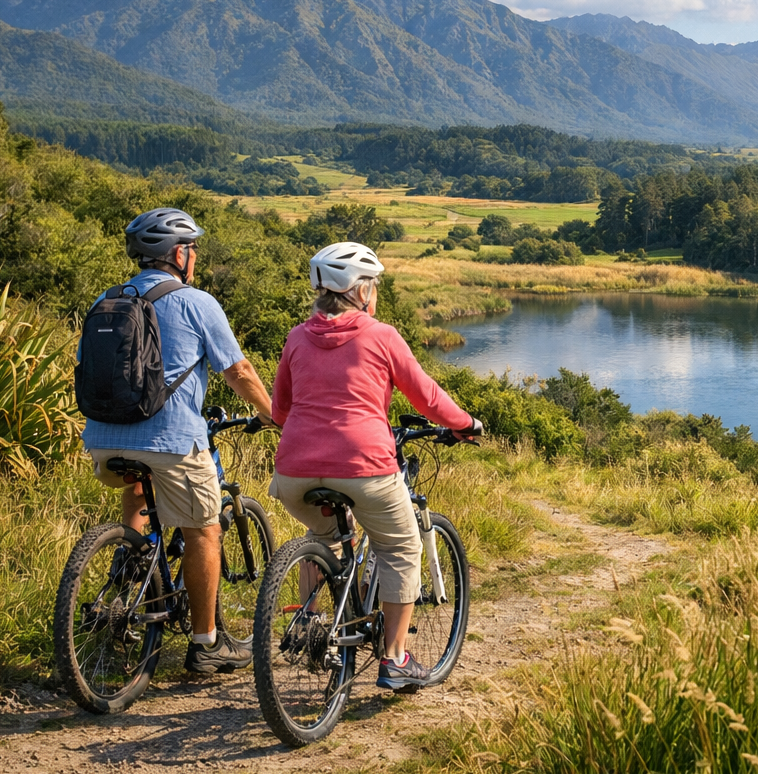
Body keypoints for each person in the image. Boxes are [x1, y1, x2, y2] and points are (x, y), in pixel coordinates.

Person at [269, 241, 482, 688]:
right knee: (401, 548)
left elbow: (281, 411)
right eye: (375, 286)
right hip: (364, 465)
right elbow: (426, 397)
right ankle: (395, 658)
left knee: (322, 534)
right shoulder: (381, 335)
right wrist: (465, 424)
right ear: (361, 291)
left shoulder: (295, 337)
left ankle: (313, 625)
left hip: (293, 473)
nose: (376, 294)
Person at [81, 207, 275, 674]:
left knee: (137, 490)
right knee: (204, 531)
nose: (196, 257)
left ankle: (131, 573)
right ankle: (206, 645)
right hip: (171, 439)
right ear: (178, 254)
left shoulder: (106, 301)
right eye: (193, 249)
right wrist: (275, 415)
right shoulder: (196, 301)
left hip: (104, 440)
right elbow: (238, 370)